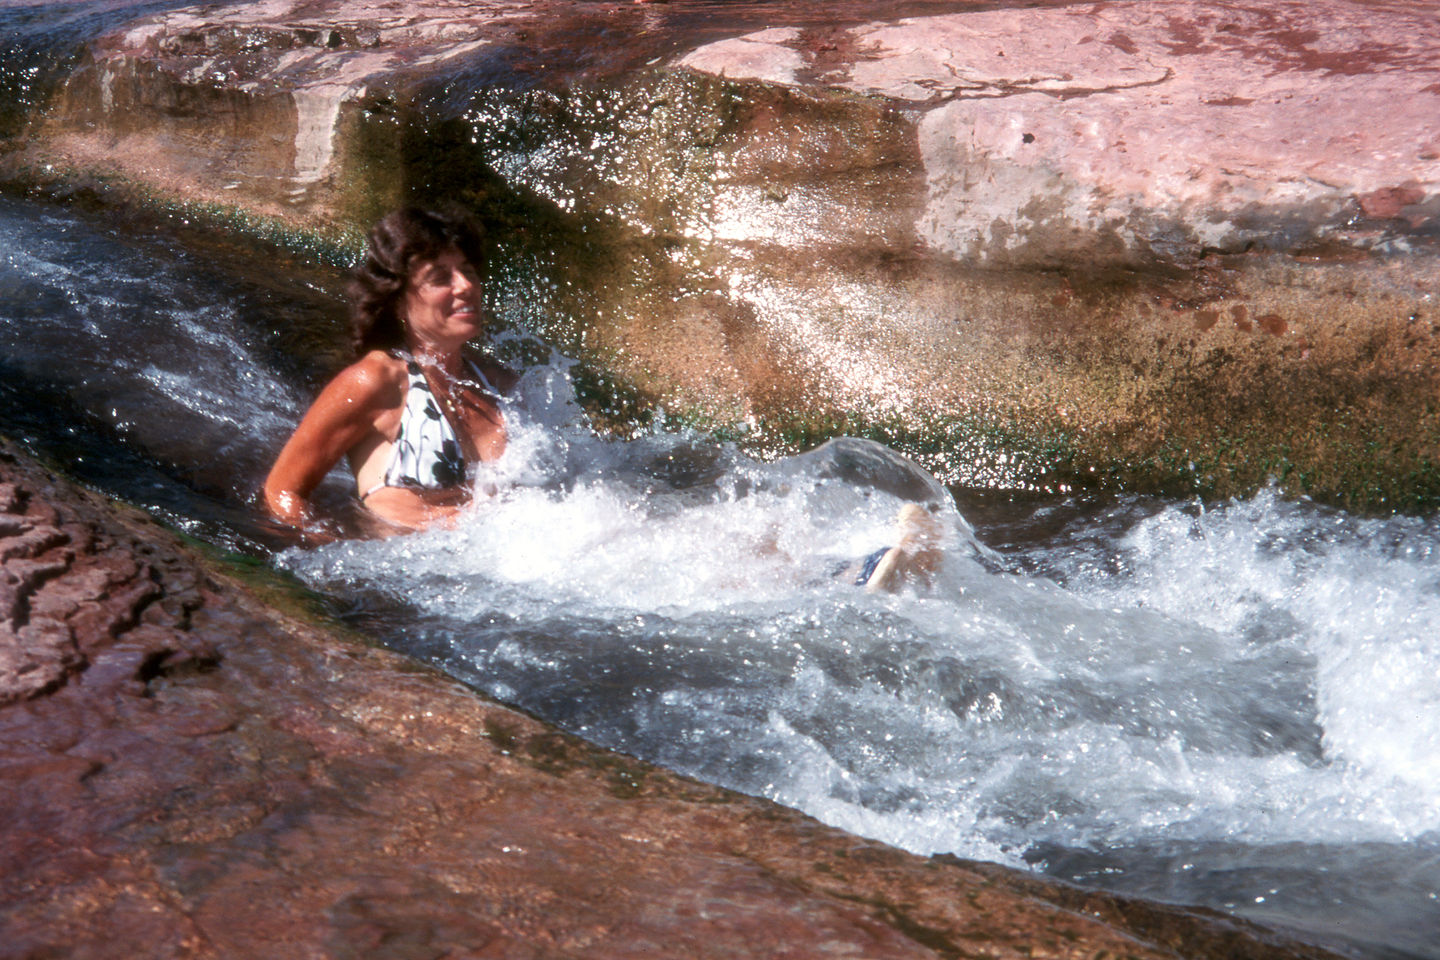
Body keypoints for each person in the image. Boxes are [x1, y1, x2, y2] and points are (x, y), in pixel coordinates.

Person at [264, 207, 516, 535]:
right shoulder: (375, 382)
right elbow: (283, 492)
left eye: (468, 270)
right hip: (404, 567)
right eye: (441, 278)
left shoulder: (498, 383)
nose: (466, 285)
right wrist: (329, 552)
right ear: (398, 301)